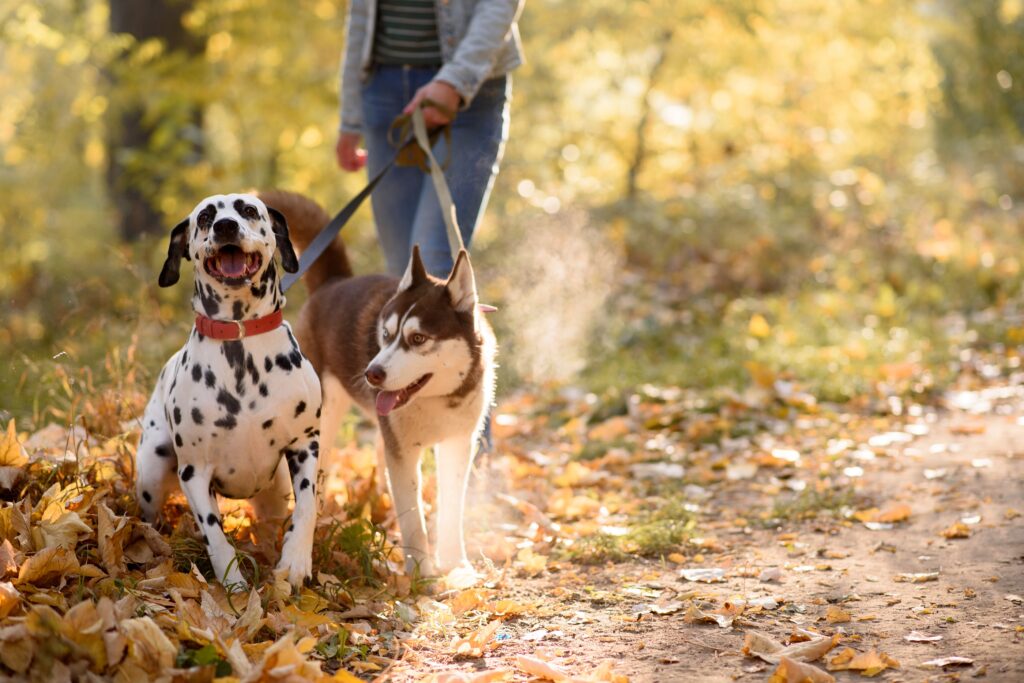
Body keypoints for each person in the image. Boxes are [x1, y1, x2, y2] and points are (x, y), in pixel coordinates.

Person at [336, 0, 525, 279]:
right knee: (403, 274)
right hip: (383, 93)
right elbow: (361, 14)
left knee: (432, 263)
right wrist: (351, 118)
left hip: (471, 93)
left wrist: (455, 81)